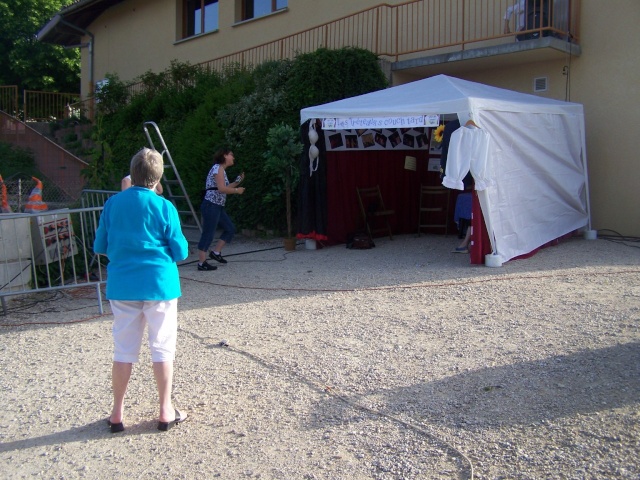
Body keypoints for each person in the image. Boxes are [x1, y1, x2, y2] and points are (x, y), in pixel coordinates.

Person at [94, 147, 189, 433]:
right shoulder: (165, 207)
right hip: (160, 284)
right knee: (162, 347)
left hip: (123, 286)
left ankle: (117, 413)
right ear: (157, 177)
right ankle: (164, 410)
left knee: (123, 349)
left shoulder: (113, 204)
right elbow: (181, 250)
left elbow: (100, 246)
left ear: (132, 174)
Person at [196, 147, 245, 271]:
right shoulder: (218, 169)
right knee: (208, 233)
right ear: (224, 156)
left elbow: (224, 187)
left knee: (230, 228)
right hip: (211, 205)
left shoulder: (220, 169)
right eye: (231, 155)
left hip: (217, 206)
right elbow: (222, 189)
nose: (233, 157)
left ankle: (215, 253)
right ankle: (201, 263)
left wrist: (237, 182)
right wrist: (237, 191)